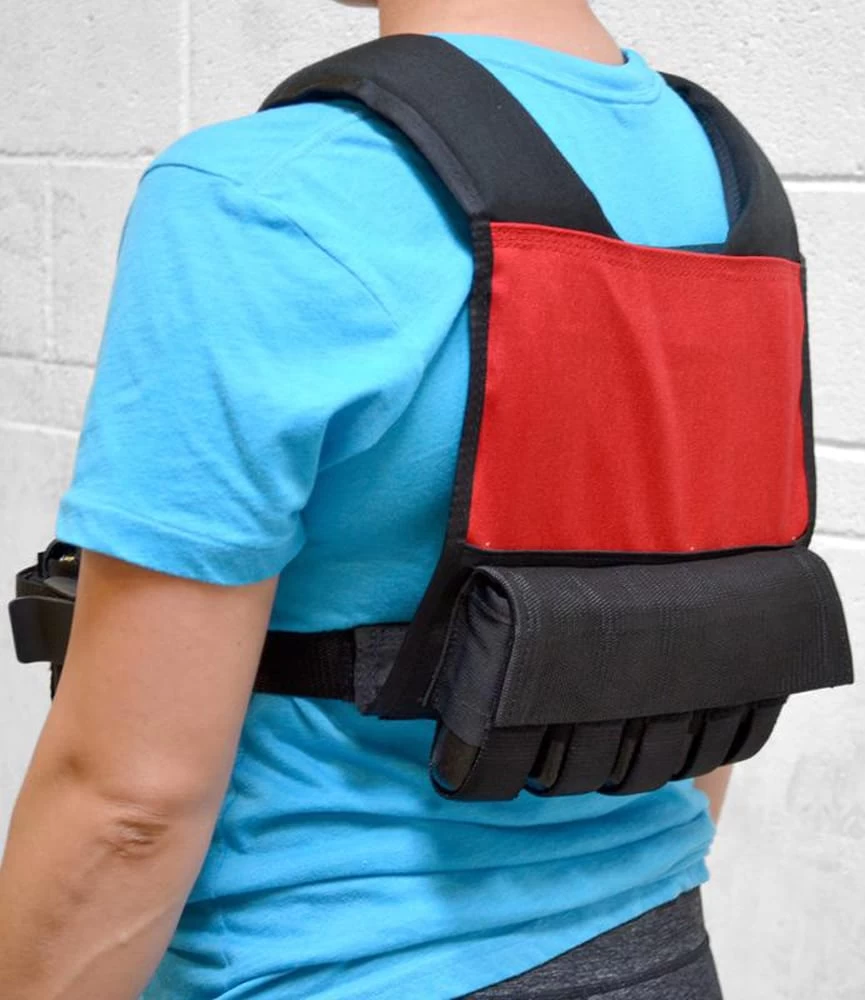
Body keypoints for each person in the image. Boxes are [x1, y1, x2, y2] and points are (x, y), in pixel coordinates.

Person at [0, 1, 740, 997]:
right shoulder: (719, 179)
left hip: (316, 967)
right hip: (661, 950)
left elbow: (128, 806)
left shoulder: (261, 193)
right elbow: (708, 627)